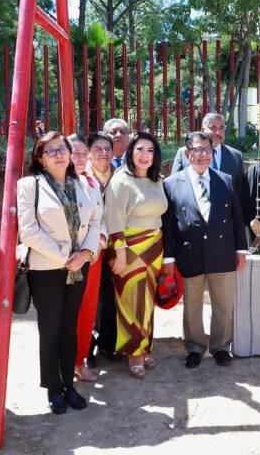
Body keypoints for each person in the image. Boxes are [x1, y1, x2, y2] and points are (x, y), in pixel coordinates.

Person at [16, 132, 102, 414]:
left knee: (70, 329)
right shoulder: (30, 185)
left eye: (62, 149)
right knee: (50, 330)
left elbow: (95, 222)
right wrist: (67, 257)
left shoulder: (82, 182)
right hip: (48, 269)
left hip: (79, 267)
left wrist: (86, 254)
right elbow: (28, 231)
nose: (59, 155)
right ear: (40, 158)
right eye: (50, 151)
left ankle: (69, 385)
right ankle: (53, 389)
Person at [162, 131, 247, 368]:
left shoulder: (225, 180)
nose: (203, 155)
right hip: (189, 252)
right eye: (198, 150)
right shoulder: (171, 183)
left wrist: (241, 250)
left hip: (222, 250)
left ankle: (220, 346)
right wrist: (168, 256)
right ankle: (195, 347)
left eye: (207, 150)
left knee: (223, 303)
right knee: (192, 304)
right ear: (187, 153)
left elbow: (237, 218)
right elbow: (168, 224)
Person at [105, 132, 168, 379]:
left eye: (150, 151)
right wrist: (119, 253)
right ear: (130, 151)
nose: (145, 155)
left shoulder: (157, 179)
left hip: (154, 247)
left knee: (147, 302)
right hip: (128, 248)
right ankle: (133, 353)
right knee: (130, 301)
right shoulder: (121, 180)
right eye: (140, 149)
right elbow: (114, 219)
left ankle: (144, 346)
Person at [67, 134, 108, 382]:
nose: (79, 157)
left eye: (84, 153)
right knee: (65, 313)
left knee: (86, 311)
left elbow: (100, 218)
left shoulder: (92, 182)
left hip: (91, 257)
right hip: (63, 259)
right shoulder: (53, 183)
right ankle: (63, 362)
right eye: (74, 152)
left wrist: (99, 242)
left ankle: (80, 360)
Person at [96, 119, 129, 358]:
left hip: (130, 239)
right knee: (104, 295)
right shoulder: (93, 167)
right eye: (112, 132)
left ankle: (129, 340)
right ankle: (106, 341)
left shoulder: (138, 161)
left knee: (128, 293)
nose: (118, 135)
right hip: (100, 241)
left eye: (122, 132)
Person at [172, 112, 244, 197]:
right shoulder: (184, 153)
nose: (217, 132)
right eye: (212, 127)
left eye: (221, 128)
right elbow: (175, 185)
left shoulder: (236, 156)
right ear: (203, 130)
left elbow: (240, 191)